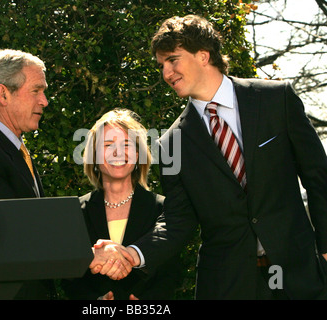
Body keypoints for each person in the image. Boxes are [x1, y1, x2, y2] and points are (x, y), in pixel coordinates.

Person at [93, 15, 327, 300]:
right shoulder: (171, 143)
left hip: (300, 275)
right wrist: (133, 253)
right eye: (162, 65)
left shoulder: (277, 99)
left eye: (173, 60)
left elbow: (319, 178)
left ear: (203, 55)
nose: (166, 73)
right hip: (227, 285)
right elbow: (177, 220)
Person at [62, 109, 181, 300]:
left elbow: (171, 274)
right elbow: (70, 278)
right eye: (108, 145)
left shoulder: (163, 209)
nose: (117, 152)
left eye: (126, 144)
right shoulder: (76, 211)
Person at [0, 49, 56, 299]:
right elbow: (12, 239)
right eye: (36, 90)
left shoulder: (13, 148)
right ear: (3, 94)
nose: (44, 101)